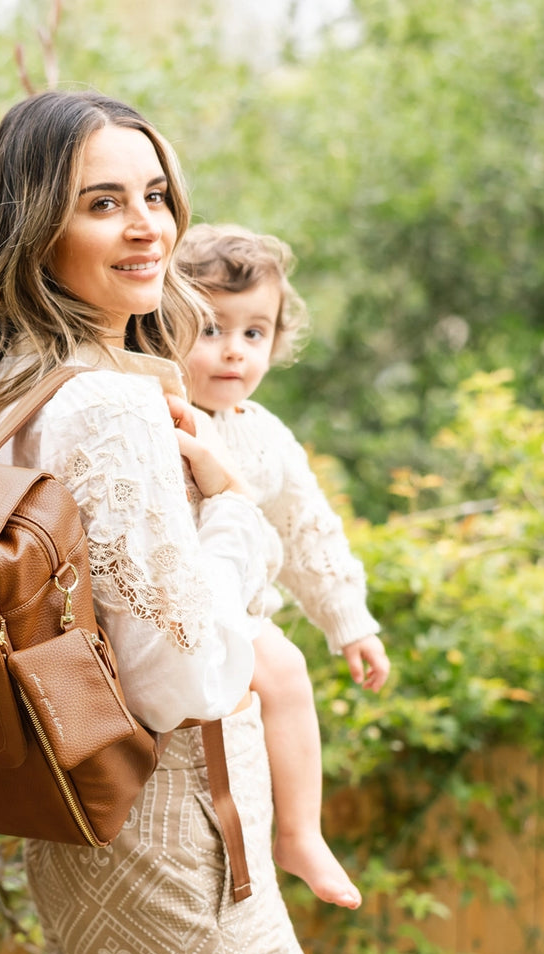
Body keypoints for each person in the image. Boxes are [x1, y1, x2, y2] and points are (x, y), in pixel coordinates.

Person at [0, 89, 396, 954]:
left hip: (81, 840)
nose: (147, 227)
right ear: (36, 228)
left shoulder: (15, 393)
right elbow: (186, 672)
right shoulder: (115, 409)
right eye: (102, 203)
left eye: (156, 195)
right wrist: (233, 512)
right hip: (178, 845)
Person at [177, 222, 391, 911]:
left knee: (287, 671)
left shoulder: (264, 435)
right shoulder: (155, 411)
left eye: (254, 332)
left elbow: (307, 530)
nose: (233, 351)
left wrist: (351, 623)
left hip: (235, 616)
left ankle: (299, 835)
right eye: (210, 328)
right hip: (164, 610)